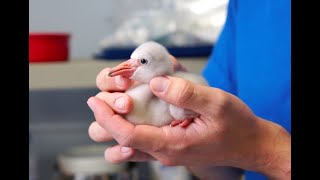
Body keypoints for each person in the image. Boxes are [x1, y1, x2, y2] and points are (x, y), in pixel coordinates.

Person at [87, 0, 291, 179]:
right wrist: (183, 150)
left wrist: (265, 152)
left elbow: (245, 149)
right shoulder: (248, 4)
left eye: (141, 61)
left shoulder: (174, 104)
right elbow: (223, 167)